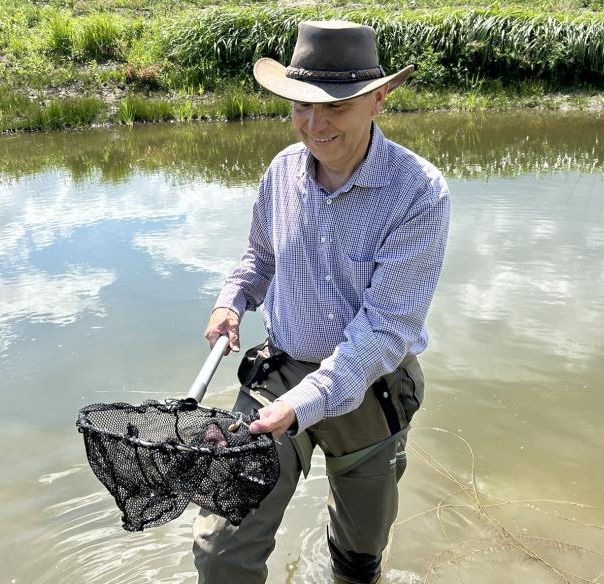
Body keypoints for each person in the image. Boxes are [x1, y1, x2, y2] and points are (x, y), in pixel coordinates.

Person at [194, 20, 450, 584]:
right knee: (220, 549)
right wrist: (231, 301)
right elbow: (259, 258)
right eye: (302, 105)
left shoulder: (418, 192)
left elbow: (385, 331)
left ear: (378, 98)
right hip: (278, 376)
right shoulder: (282, 171)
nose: (315, 123)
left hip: (370, 387)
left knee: (358, 562)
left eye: (335, 105)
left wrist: (304, 408)